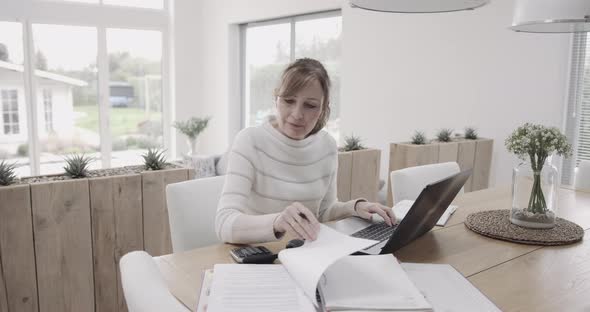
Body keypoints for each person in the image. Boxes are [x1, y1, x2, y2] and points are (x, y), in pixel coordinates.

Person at [215, 58, 395, 244]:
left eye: (310, 105)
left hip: (306, 254)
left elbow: (323, 213)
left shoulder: (327, 146)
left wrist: (355, 207)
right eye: (288, 101)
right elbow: (224, 223)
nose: (297, 114)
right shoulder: (250, 141)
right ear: (276, 100)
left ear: (323, 109)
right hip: (260, 256)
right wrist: (277, 222)